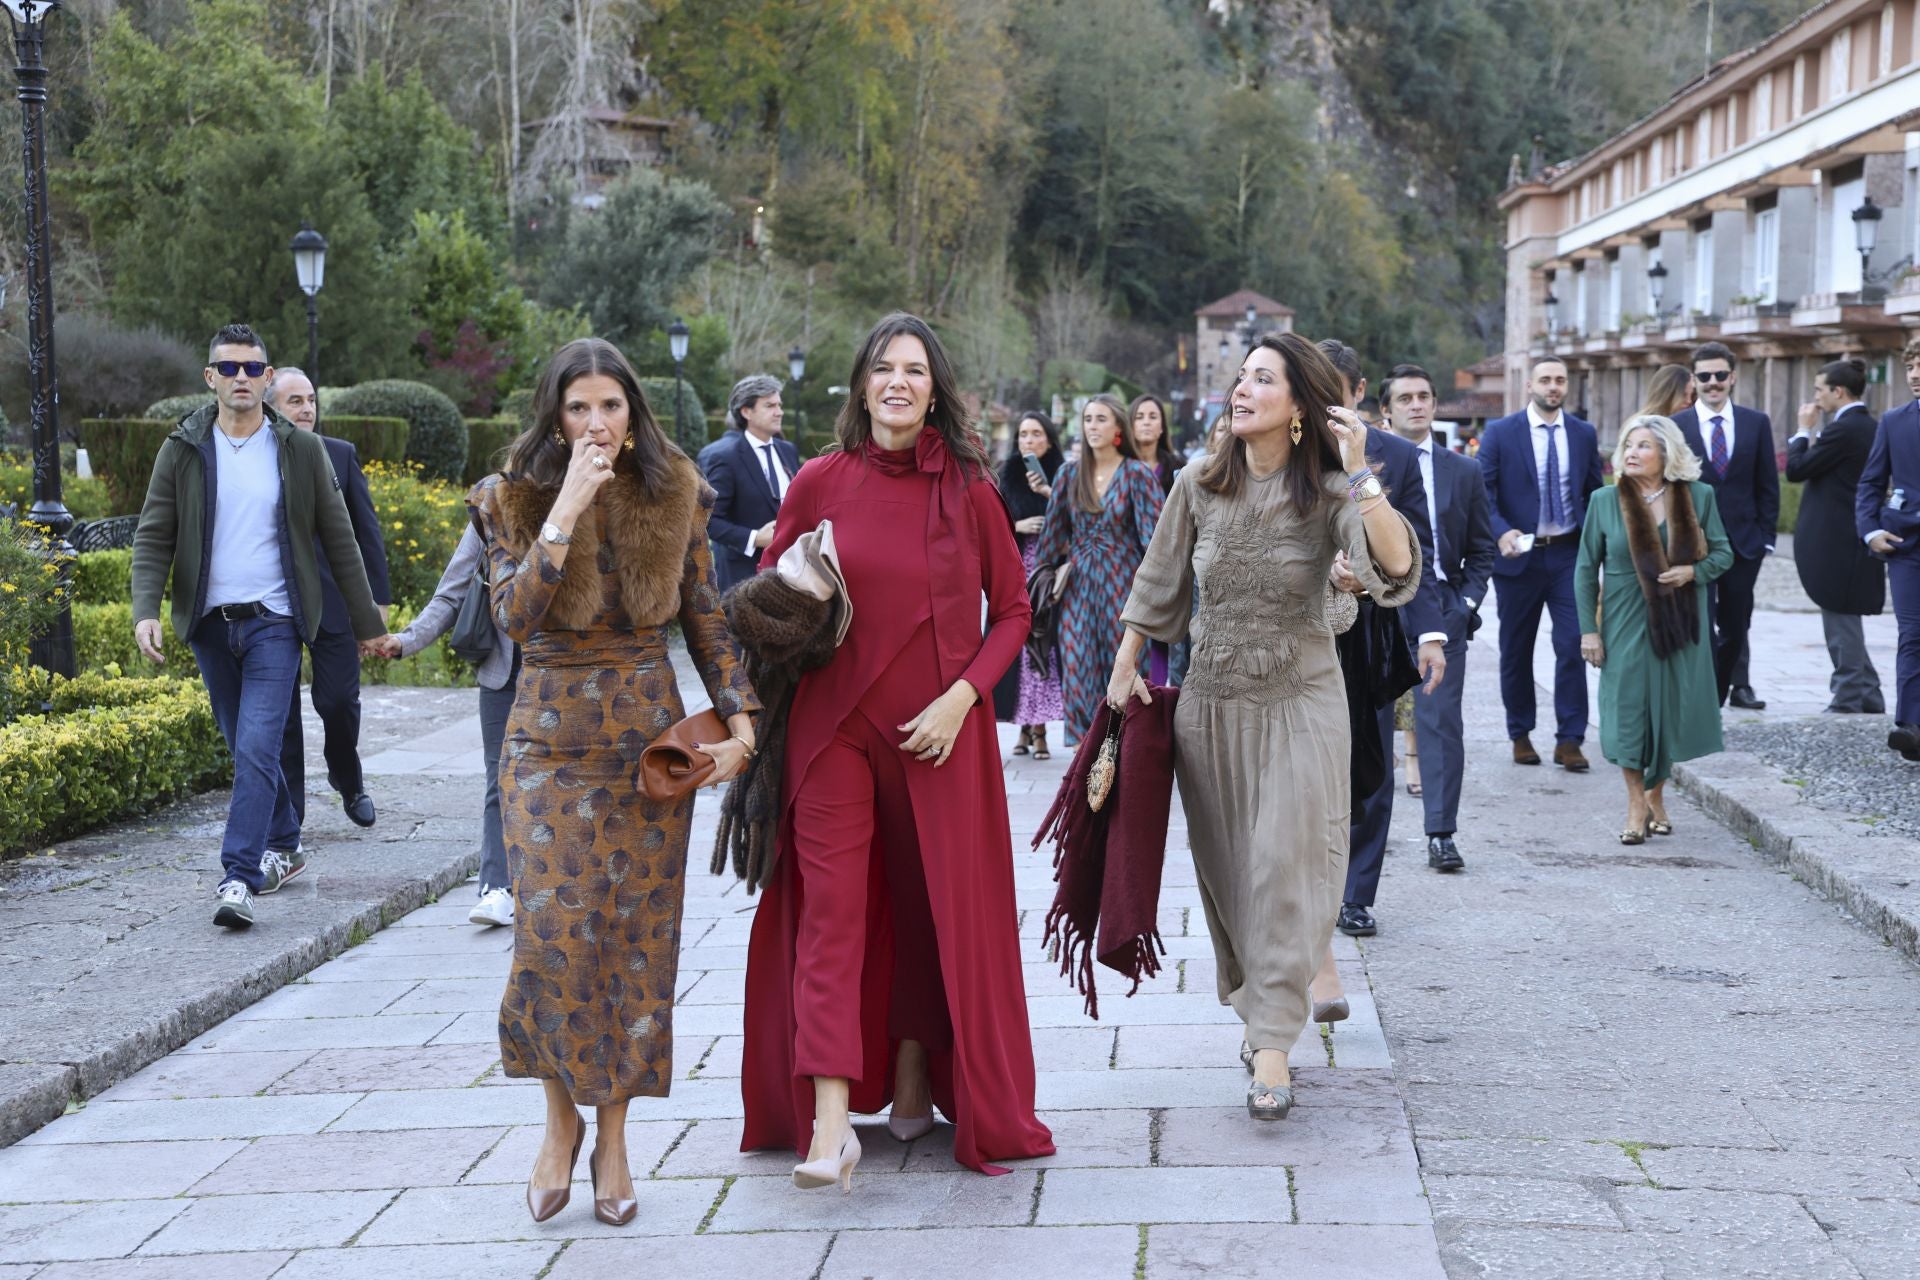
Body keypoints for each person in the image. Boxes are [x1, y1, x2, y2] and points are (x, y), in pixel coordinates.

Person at [739, 312, 1052, 1184]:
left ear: (934, 387)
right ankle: (831, 1123)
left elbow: (1015, 610)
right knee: (833, 918)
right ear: (861, 385)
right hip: (831, 734)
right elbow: (776, 601)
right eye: (883, 367)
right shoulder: (816, 481)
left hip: (939, 737)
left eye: (914, 369)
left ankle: (915, 1070)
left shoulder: (972, 490)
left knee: (926, 909)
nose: (898, 382)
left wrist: (964, 699)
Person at [467, 337, 757, 1226]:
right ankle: (560, 1123)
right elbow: (514, 617)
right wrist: (568, 506)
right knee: (553, 942)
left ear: (634, 415)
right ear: (554, 414)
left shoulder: (678, 495)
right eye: (578, 407)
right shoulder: (507, 496)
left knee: (634, 946)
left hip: (643, 746)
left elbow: (705, 615)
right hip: (546, 749)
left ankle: (618, 1138)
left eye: (611, 406)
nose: (596, 423)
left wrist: (742, 718)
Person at [1110, 333, 1418, 1122]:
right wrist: (1125, 665)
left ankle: (1274, 1045)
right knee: (1232, 878)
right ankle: (1262, 1013)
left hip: (1301, 703)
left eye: (1261, 379)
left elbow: (1392, 570)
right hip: (1211, 708)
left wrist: (1361, 475)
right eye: (1240, 377)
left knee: (1284, 864)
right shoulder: (1199, 483)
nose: (1241, 389)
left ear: (1298, 406)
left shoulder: (1329, 489)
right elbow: (1159, 578)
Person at [130, 325, 384, 930]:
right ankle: (287, 841)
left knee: (256, 747)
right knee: (241, 745)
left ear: (268, 379)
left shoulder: (298, 449)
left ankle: (239, 876)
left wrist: (368, 624)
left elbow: (340, 540)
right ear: (210, 377)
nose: (240, 377)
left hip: (274, 622)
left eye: (252, 368)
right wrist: (145, 610)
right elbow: (154, 533)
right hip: (210, 626)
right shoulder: (184, 447)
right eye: (229, 368)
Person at [1316, 339, 1445, 939]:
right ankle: (1312, 882)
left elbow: (1417, 551)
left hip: (1371, 631)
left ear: (1360, 394)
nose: (1324, 411)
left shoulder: (1395, 454)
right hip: (1304, 628)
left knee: (1372, 761)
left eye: (1334, 397)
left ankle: (1357, 893)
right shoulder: (1283, 448)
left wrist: (1430, 635)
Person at [1576, 415, 1732, 840]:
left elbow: (1722, 554)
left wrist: (1690, 574)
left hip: (1682, 621)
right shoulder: (1604, 501)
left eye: (1643, 445)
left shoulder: (1699, 497)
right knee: (1628, 712)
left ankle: (1655, 793)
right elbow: (1586, 570)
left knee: (1670, 711)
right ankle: (1634, 804)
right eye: (1627, 444)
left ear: (1667, 453)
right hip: (1624, 618)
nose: (1630, 452)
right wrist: (1588, 630)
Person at [369, 523, 521, 926]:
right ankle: (497, 887)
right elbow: (452, 591)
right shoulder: (492, 505)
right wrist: (406, 640)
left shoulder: (586, 491)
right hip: (504, 673)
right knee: (500, 776)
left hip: (567, 672)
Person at [1380, 364, 1496, 872]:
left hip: (1443, 609)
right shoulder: (1365, 462)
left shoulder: (1463, 470)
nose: (1416, 405)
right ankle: (1360, 833)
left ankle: (1441, 833)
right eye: (1404, 398)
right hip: (1377, 610)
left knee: (1440, 725)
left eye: (1424, 395)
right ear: (1385, 410)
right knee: (1367, 725)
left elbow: (1482, 548)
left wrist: (1466, 605)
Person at [266, 367, 391, 831]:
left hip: (335, 604)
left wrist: (376, 602)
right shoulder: (258, 460)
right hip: (275, 605)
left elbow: (367, 533)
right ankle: (291, 812)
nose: (307, 409)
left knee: (339, 701)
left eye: (311, 399)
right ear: (271, 406)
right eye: (294, 401)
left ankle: (348, 777)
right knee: (281, 714)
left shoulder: (340, 455)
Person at [1478, 356, 1604, 771]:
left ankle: (1570, 738)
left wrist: (1599, 545)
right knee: (1517, 649)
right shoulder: (1500, 432)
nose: (1553, 386)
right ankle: (1520, 733)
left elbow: (1593, 493)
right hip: (1518, 557)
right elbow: (1484, 491)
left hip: (1569, 554)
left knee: (1572, 642)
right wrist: (1500, 531)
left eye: (1560, 380)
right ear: (1530, 385)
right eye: (1546, 380)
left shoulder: (1583, 434)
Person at [1034, 393, 1163, 744]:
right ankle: (1085, 761)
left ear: (1118, 427)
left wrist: (1154, 597)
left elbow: (1157, 544)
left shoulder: (1136, 474)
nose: (1092, 426)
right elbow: (1049, 540)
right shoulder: (1068, 475)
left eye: (1101, 419)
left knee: (1125, 676)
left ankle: (1128, 755)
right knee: (1077, 673)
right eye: (1088, 419)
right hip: (1077, 589)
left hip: (1123, 589)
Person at [1673, 341, 1779, 710]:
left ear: (1733, 377)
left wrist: (1766, 539)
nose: (1713, 382)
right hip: (1693, 547)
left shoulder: (1756, 422)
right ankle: (1704, 702)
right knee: (1698, 625)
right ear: (1694, 380)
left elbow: (1767, 485)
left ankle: (1724, 690)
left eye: (1720, 375)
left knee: (1734, 627)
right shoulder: (1677, 426)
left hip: (1743, 546)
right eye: (1705, 376)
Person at [1788, 359, 1886, 714]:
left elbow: (1797, 469)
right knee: (1842, 614)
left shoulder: (1844, 429)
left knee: (1839, 615)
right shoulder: (1868, 426)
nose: (1815, 397)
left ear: (1837, 391)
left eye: (1819, 390)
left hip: (1839, 542)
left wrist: (1802, 430)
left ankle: (1847, 698)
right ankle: (1870, 697)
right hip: (1848, 538)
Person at [1858, 337, 1920, 761]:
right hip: (1907, 547)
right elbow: (1870, 483)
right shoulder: (1894, 421)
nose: (1915, 375)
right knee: (1912, 634)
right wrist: (1870, 531)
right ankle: (1911, 727)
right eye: (1910, 367)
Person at [995, 410, 1065, 760]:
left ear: (1049, 440)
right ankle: (1026, 727)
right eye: (1023, 434)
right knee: (1020, 649)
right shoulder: (1005, 475)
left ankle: (1039, 730)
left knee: (1045, 646)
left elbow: (1076, 519)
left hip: (1050, 572)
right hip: (1017, 568)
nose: (1029, 440)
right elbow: (990, 524)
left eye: (1036, 434)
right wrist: (1019, 527)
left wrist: (1050, 495)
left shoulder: (1064, 474)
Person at [701, 373, 801, 591]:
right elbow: (708, 520)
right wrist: (754, 538)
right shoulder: (727, 458)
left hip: (792, 572)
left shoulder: (788, 450)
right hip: (745, 579)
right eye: (770, 406)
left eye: (779, 405)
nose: (779, 412)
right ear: (746, 412)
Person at [1130, 393, 1182, 495]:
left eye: (1153, 417)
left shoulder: (1176, 467)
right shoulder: (1120, 466)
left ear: (1162, 426)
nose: (1146, 422)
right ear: (1131, 425)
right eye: (1139, 417)